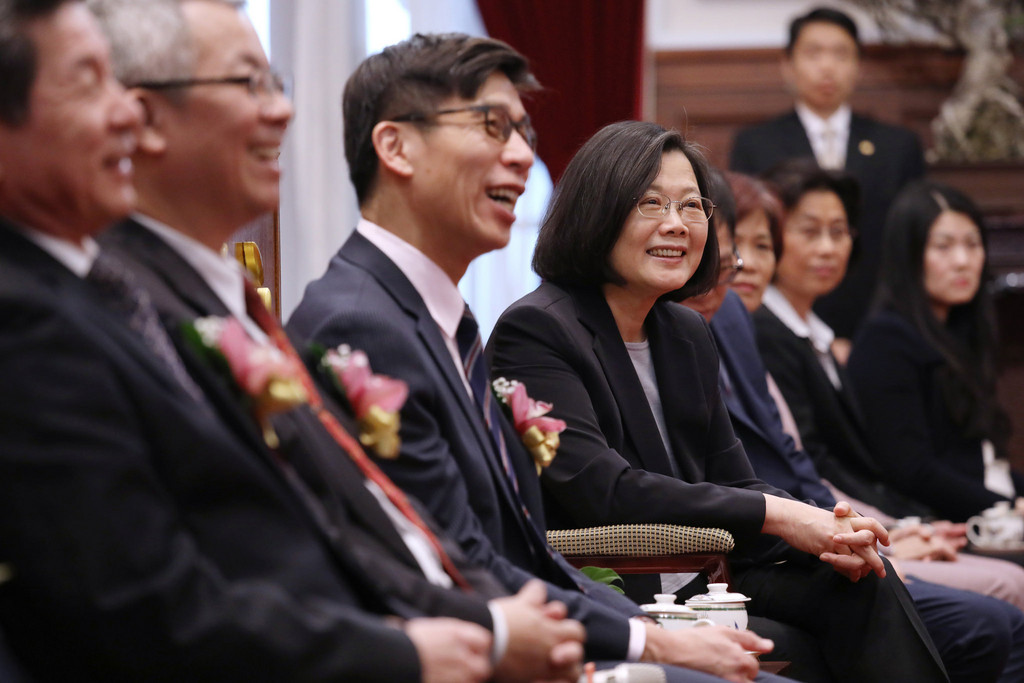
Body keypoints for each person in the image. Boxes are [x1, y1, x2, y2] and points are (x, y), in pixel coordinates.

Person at [0, 1, 586, 680]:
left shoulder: (128, 295)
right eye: (88, 83)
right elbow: (144, 606)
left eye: (274, 82)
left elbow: (346, 532)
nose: (126, 113)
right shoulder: (41, 313)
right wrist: (436, 647)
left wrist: (488, 631)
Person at [286, 32, 777, 683]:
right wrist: (652, 643)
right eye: (491, 126)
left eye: (523, 132)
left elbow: (515, 550)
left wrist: (649, 635)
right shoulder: (361, 322)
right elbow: (453, 561)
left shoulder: (443, 318)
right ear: (396, 146)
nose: (521, 155)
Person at [486, 119, 949, 682]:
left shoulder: (685, 331)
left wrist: (828, 527)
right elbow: (606, 492)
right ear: (596, 211)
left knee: (861, 575)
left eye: (691, 206)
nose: (676, 224)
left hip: (711, 574)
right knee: (804, 644)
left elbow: (734, 480)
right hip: (619, 585)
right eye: (651, 203)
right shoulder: (536, 330)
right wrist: (782, 515)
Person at [742, 162, 1024, 682]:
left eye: (839, 232)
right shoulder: (766, 336)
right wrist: (898, 528)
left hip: (862, 521)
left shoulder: (817, 337)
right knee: (1003, 596)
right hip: (813, 535)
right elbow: (816, 468)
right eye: (809, 232)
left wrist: (905, 525)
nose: (828, 248)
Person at [730, 6, 925, 346]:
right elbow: (747, 239)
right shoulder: (755, 145)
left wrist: (871, 334)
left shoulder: (898, 146)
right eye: (813, 53)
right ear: (788, 65)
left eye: (840, 54)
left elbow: (908, 247)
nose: (827, 66)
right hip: (781, 330)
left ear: (859, 67)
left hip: (881, 328)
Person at [848, 181, 1024, 521]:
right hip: (939, 524)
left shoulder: (962, 332)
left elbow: (986, 463)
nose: (962, 261)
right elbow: (912, 471)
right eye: (943, 246)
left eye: (972, 244)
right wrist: (1007, 509)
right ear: (909, 256)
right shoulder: (884, 342)